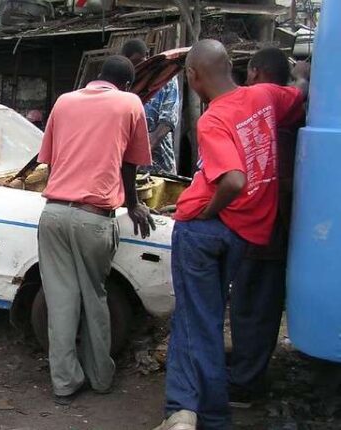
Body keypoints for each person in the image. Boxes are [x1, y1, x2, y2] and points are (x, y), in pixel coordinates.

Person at [155, 40, 309, 430]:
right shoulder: (267, 95)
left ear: (193, 76)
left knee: (195, 322)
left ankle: (191, 413)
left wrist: (205, 209)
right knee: (206, 321)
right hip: (245, 233)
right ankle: (202, 412)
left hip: (206, 229)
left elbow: (234, 179)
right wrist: (307, 74)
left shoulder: (212, 118)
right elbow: (300, 98)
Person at [37, 55, 155, 405]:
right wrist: (132, 203)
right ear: (128, 83)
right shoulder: (130, 103)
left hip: (54, 214)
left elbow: (52, 159)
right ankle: (101, 378)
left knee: (60, 303)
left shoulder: (64, 101)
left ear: (96, 77)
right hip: (94, 216)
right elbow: (129, 164)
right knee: (94, 297)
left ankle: (64, 383)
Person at [228, 47, 304, 408]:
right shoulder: (294, 110)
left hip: (264, 223)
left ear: (256, 72)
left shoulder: (259, 107)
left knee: (254, 301)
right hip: (276, 223)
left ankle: (247, 383)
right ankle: (247, 371)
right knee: (255, 301)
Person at [121, 39, 181, 174]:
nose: (137, 67)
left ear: (147, 55)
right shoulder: (125, 83)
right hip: (130, 166)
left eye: (139, 61)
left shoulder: (165, 80)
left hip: (160, 164)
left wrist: (141, 154)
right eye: (132, 64)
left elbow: (167, 122)